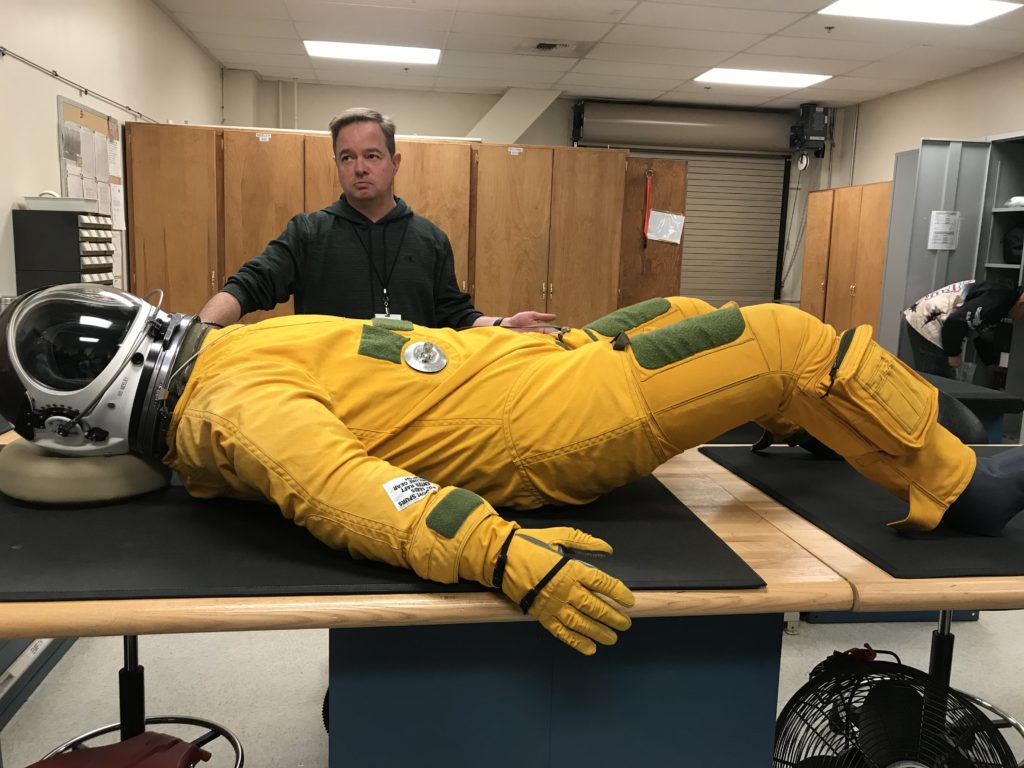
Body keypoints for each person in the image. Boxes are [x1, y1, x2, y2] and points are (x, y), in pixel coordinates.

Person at [2, 284, 1023, 656]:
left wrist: (513, 333)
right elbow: (353, 494)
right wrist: (499, 553)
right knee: (790, 338)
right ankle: (957, 485)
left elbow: (381, 356)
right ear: (83, 421)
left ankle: (847, 425)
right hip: (546, 431)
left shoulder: (223, 358)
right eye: (78, 346)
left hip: (540, 370)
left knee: (676, 308)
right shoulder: (235, 412)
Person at [199, 107, 553, 332]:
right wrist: (198, 335)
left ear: (394, 162)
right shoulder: (308, 233)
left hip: (413, 392)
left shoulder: (430, 239)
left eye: (372, 155)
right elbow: (248, 285)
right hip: (331, 394)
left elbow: (453, 313)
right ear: (337, 165)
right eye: (347, 158)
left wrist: (504, 324)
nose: (360, 168)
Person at [903, 279, 1024, 378]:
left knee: (943, 381)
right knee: (938, 382)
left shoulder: (1005, 296)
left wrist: (991, 364)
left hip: (929, 316)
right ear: (1022, 304)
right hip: (928, 320)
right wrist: (954, 354)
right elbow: (955, 321)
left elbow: (980, 332)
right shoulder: (999, 298)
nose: (1020, 319)